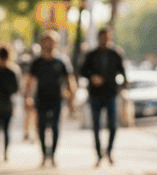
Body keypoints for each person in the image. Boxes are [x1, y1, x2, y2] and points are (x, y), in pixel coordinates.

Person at [22, 31, 75, 167]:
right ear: (42, 43)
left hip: (57, 99)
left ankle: (52, 155)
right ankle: (44, 154)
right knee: (41, 127)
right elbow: (30, 82)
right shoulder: (37, 62)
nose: (48, 44)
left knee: (56, 128)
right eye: (46, 41)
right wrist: (28, 97)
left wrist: (71, 100)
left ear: (55, 43)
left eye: (51, 41)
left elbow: (70, 81)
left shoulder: (61, 61)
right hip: (41, 99)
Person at [79, 27, 127, 166]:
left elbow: (122, 72)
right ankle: (99, 154)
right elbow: (82, 70)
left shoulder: (115, 54)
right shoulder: (92, 54)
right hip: (95, 94)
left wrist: (123, 86)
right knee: (96, 126)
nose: (105, 40)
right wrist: (92, 77)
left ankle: (109, 151)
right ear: (99, 38)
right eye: (102, 37)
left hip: (110, 93)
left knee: (112, 125)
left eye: (107, 37)